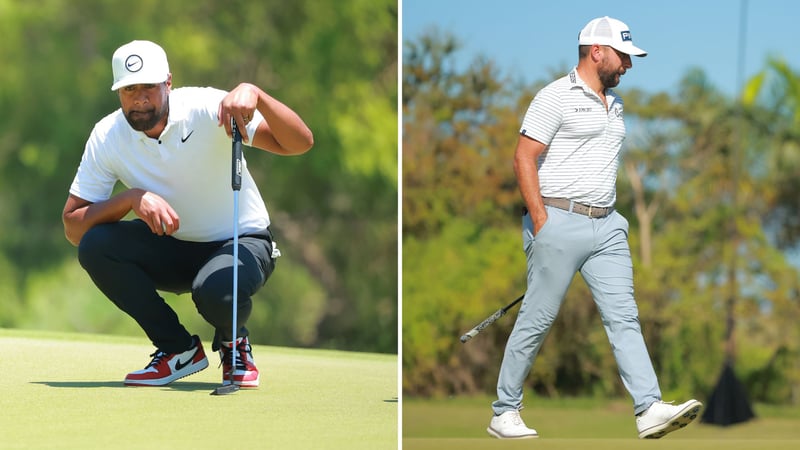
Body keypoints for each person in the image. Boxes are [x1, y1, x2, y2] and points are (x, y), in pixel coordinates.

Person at [487, 17, 702, 439]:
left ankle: (648, 408)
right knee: (538, 318)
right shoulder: (554, 96)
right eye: (623, 56)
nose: (628, 65)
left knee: (625, 317)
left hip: (607, 227)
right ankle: (504, 411)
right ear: (596, 51)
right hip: (557, 219)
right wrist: (543, 223)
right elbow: (523, 158)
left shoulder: (615, 103)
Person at [62, 40, 313, 388]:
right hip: (175, 245)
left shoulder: (209, 107)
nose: (139, 98)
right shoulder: (107, 136)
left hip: (241, 243)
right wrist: (131, 199)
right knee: (96, 245)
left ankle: (234, 342)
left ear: (168, 83)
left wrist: (257, 94)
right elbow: (74, 227)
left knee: (216, 291)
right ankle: (177, 350)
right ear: (119, 92)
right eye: (129, 89)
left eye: (148, 87)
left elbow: (300, 143)